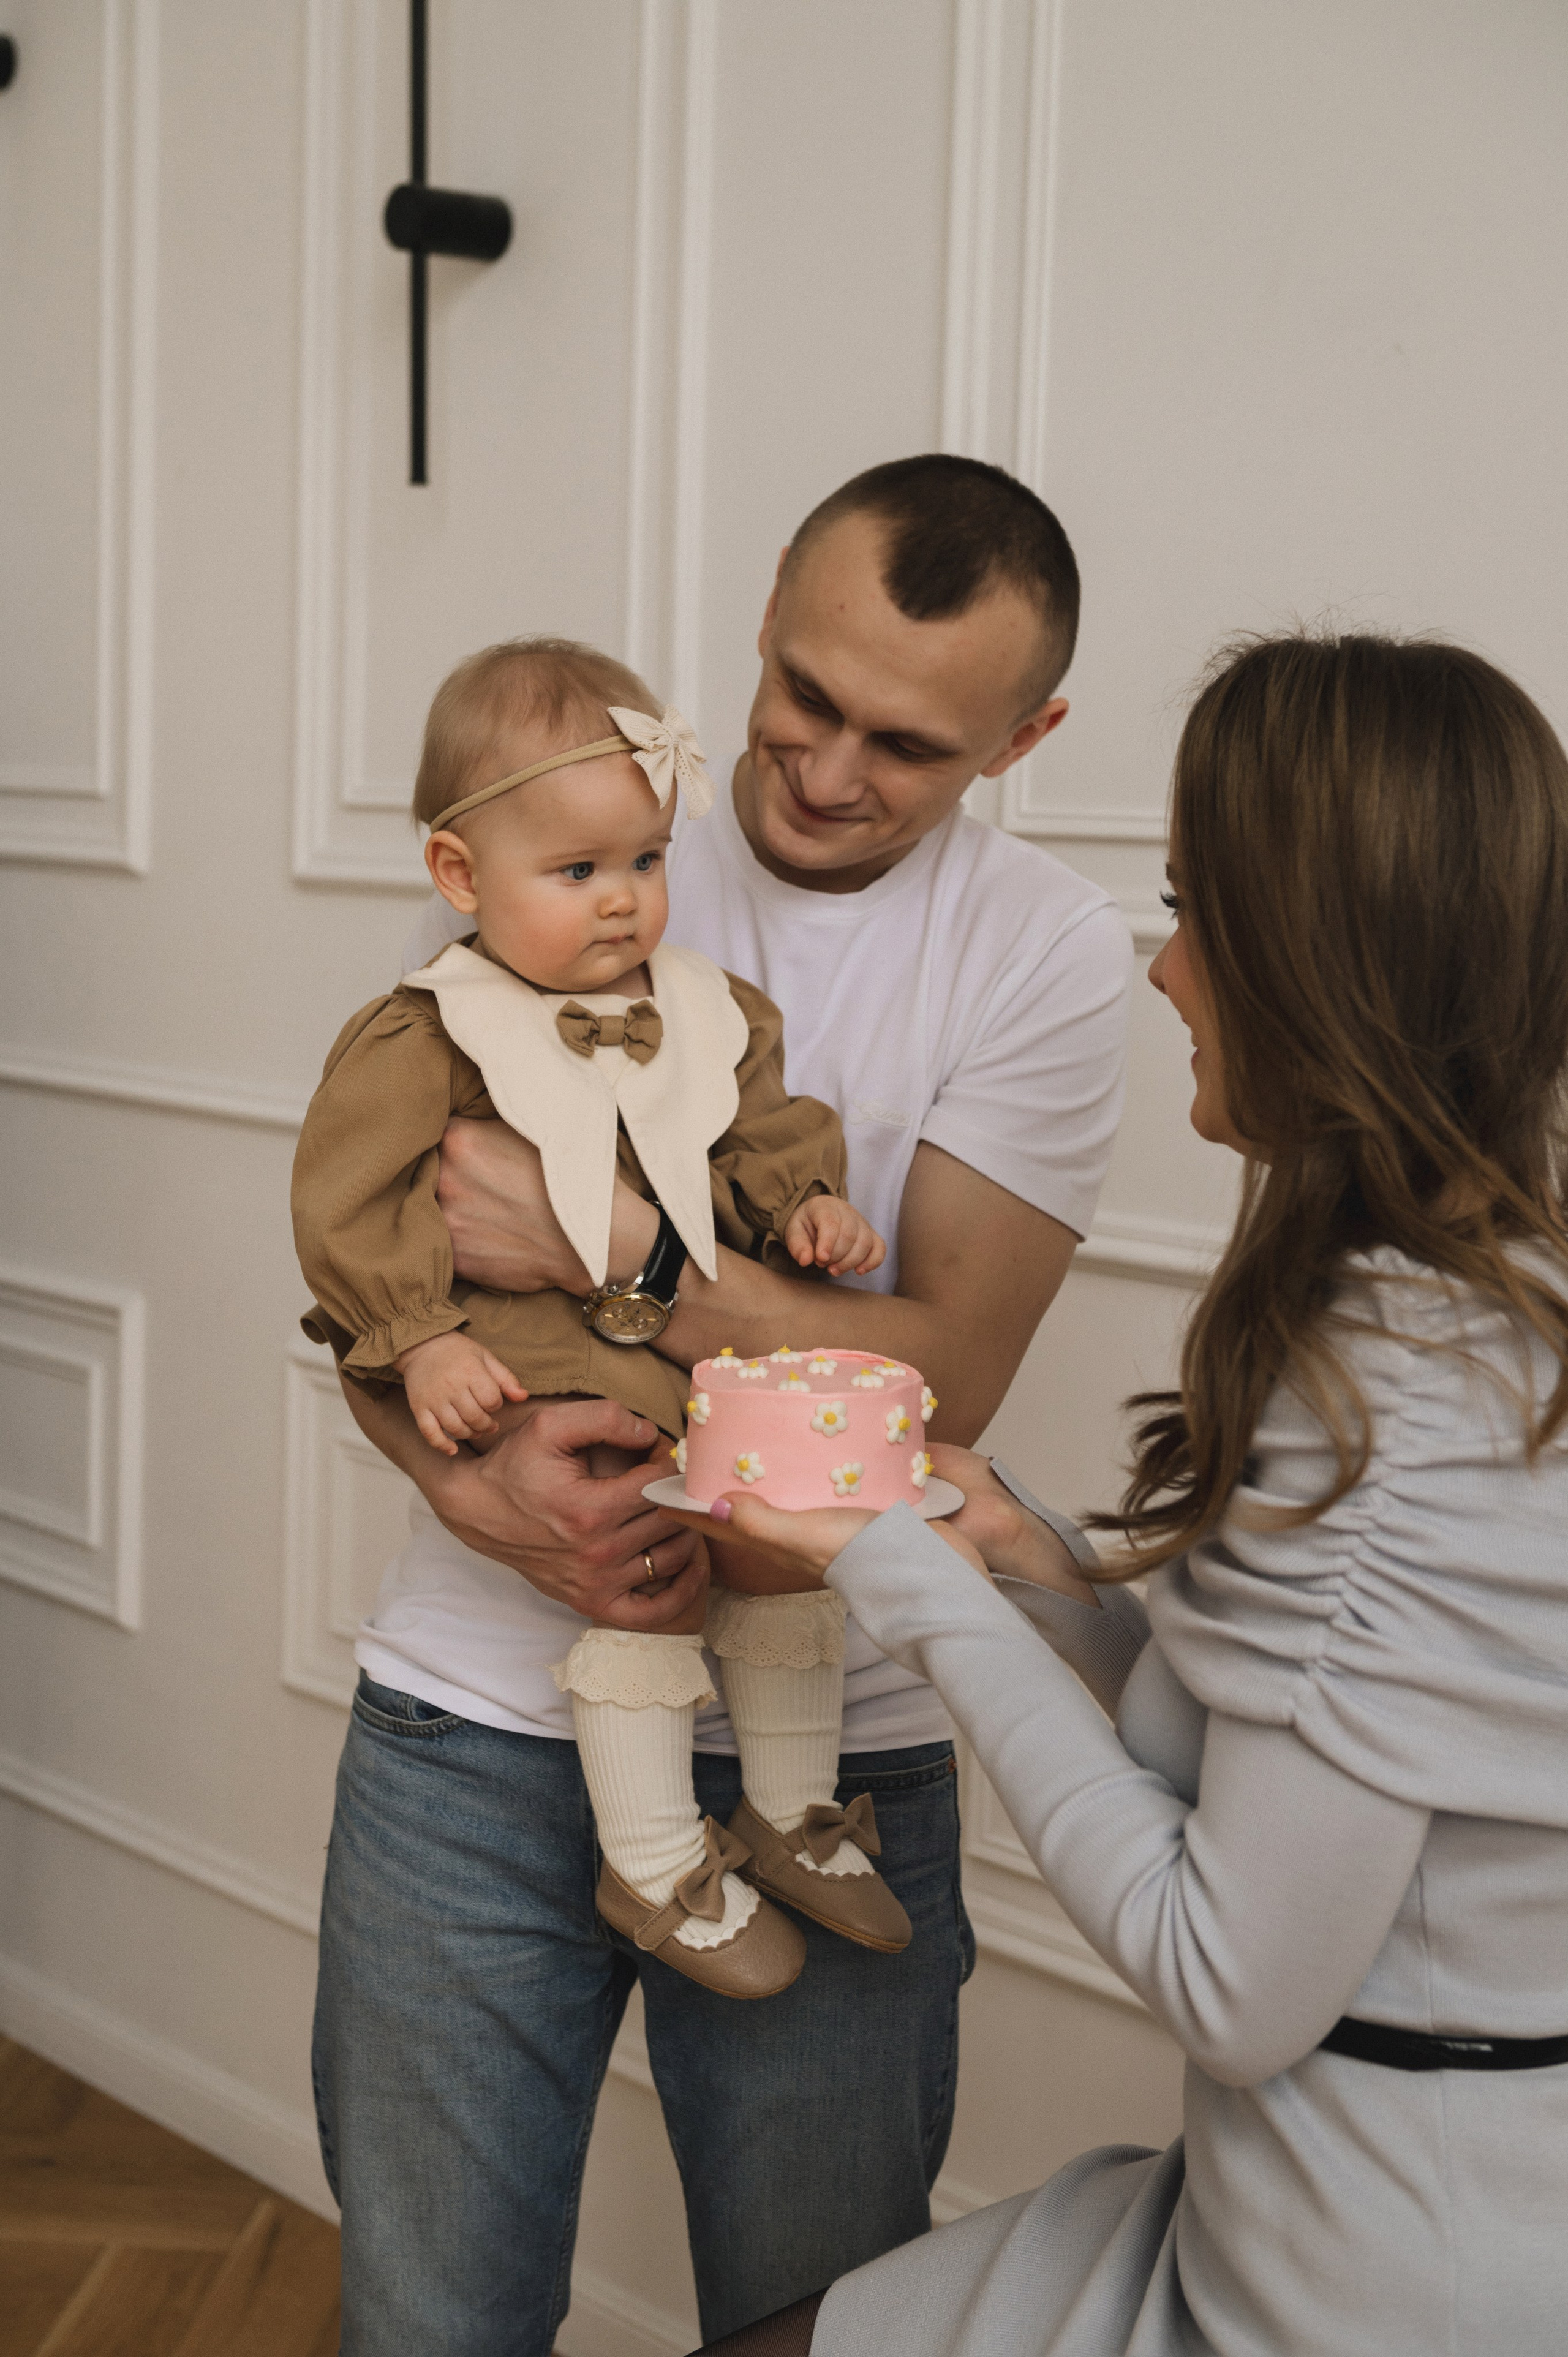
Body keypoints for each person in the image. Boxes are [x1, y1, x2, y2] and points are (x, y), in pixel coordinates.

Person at [313, 456, 1134, 2353]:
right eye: (807, 700)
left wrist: (627, 1255)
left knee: (814, 2321)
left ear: (1029, 735)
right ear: (763, 618)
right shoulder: (554, 815)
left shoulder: (1047, 957)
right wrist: (483, 1497)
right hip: (474, 1724)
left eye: (910, 745)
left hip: (838, 1748)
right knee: (426, 2322)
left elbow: (948, 1369)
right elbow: (386, 1279)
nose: (831, 772)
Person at [674, 630, 1568, 2357]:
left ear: (1320, 957)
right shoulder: (1428, 1309)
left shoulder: (1422, 1405)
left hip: (1387, 2263)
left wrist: (889, 1565)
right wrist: (1025, 1559)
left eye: (1196, 911)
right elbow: (1249, 1752)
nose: (1166, 971)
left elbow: (1227, 1976)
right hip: (1288, 2180)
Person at [292, 635, 905, 2005]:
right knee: (640, 1564)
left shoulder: (709, 1011)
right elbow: (353, 1198)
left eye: (642, 860)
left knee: (785, 1551)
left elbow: (759, 1132)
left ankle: (795, 1811)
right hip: (550, 1366)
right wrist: (422, 1338)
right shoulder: (430, 1029)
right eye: (576, 873)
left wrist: (808, 1208)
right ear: (461, 877)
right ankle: (649, 1853)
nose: (624, 902)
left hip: (701, 1361)